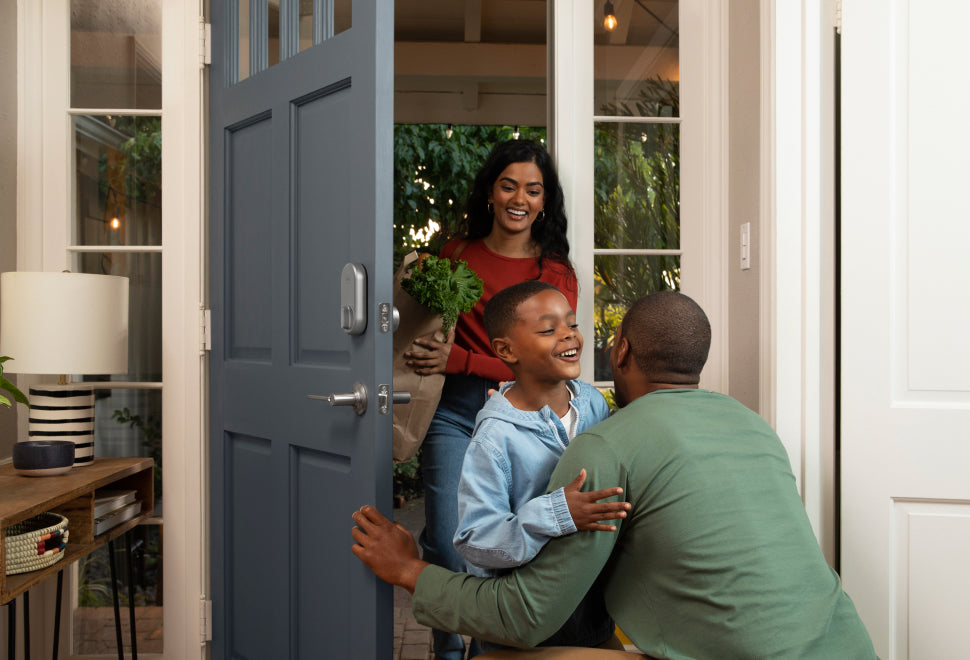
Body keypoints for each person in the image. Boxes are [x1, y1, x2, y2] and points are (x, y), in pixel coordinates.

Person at [355, 291, 878, 659]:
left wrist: (410, 571)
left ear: (621, 350)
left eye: (573, 325)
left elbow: (523, 616)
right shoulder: (752, 425)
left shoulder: (606, 440)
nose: (569, 337)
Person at [404, 139, 578, 660]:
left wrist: (459, 359)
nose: (519, 198)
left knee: (498, 543)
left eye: (533, 188)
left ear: (545, 201)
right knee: (443, 537)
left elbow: (545, 361)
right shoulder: (455, 254)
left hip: (521, 417)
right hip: (453, 414)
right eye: (508, 185)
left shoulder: (555, 273)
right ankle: (446, 648)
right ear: (491, 193)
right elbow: (425, 326)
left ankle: (488, 650)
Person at [454, 280, 630, 652]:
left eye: (572, 325)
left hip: (591, 617)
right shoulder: (494, 438)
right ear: (506, 349)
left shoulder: (594, 405)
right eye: (549, 330)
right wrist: (557, 513)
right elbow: (475, 539)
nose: (569, 336)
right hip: (521, 633)